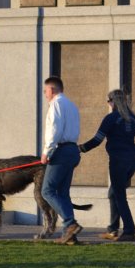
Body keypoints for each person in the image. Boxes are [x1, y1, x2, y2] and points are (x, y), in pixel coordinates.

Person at [79, 89, 135, 242]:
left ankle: (129, 231)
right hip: (131, 163)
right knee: (113, 193)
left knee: (119, 196)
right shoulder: (134, 119)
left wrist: (81, 148)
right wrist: (131, 154)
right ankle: (113, 230)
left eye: (108, 101)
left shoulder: (110, 119)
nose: (108, 104)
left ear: (113, 102)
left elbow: (97, 140)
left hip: (117, 163)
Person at [40, 76, 83, 244]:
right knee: (63, 193)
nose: (45, 94)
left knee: (47, 191)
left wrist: (46, 152)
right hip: (72, 150)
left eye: (45, 91)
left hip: (61, 151)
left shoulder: (56, 104)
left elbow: (54, 130)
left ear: (52, 90)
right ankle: (69, 235)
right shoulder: (71, 105)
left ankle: (70, 224)